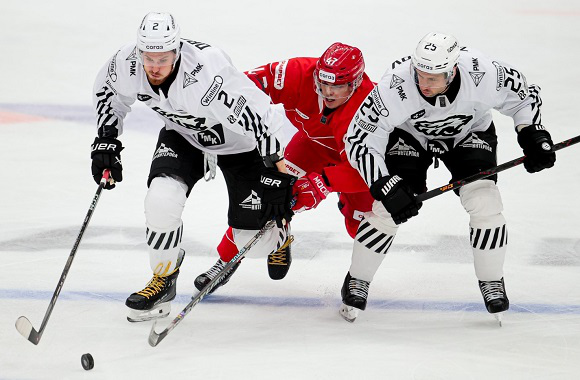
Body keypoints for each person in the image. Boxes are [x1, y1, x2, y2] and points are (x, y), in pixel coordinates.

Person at [90, 12, 297, 322]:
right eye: (148, 57)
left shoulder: (205, 70)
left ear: (177, 51)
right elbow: (110, 94)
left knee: (251, 245)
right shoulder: (126, 62)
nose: (155, 66)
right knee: (160, 200)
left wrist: (273, 163)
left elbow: (256, 114)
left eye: (163, 58)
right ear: (138, 50)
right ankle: (164, 280)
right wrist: (106, 139)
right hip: (184, 136)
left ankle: (279, 234)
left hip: (240, 144)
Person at [340, 32, 556, 322]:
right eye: (420, 74)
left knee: (485, 202)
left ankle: (491, 280)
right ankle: (358, 279)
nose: (424, 84)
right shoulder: (396, 83)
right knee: (386, 209)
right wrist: (383, 183)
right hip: (409, 136)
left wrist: (531, 132)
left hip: (468, 134)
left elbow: (524, 95)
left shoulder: (484, 72)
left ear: (453, 70)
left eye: (433, 78)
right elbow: (359, 139)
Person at [193, 42, 376, 293]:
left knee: (365, 222)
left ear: (355, 83)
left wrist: (322, 183)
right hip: (311, 147)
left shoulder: (372, 106)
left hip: (356, 167)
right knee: (268, 197)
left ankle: (359, 277)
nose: (328, 93)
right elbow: (241, 86)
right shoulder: (296, 72)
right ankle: (226, 260)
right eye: (323, 84)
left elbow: (372, 170)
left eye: (338, 86)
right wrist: (216, 121)